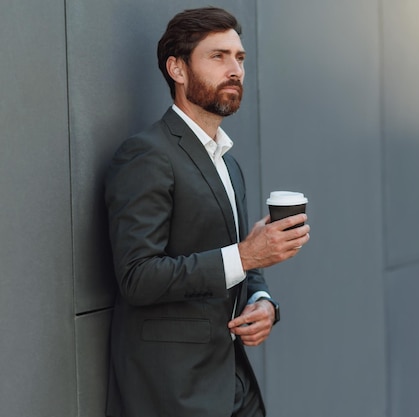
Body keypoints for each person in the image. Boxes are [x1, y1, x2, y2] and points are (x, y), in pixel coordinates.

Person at [103, 7, 310, 417]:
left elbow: (241, 257)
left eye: (240, 58)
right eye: (218, 56)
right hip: (174, 391)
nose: (235, 69)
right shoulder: (147, 154)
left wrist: (264, 301)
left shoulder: (228, 163)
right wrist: (248, 255)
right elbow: (137, 277)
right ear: (177, 69)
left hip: (232, 379)